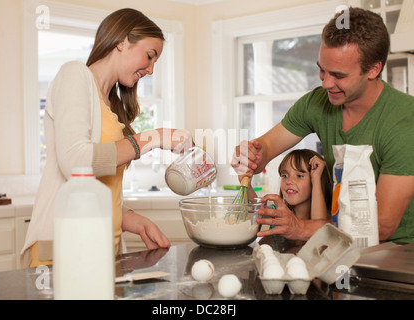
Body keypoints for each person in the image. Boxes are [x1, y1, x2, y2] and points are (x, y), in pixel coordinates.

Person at [21, 8, 193, 268]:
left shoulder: (110, 106)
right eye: (149, 56)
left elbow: (97, 190)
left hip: (101, 250)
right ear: (122, 41)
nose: (151, 70)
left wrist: (131, 219)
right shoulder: (74, 75)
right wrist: (154, 138)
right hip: (63, 250)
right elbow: (76, 163)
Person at [232, 7, 414, 243]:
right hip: (342, 245)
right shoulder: (317, 103)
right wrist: (251, 156)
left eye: (338, 75)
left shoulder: (403, 121)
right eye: (321, 69)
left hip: (397, 256)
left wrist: (300, 227)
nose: (326, 83)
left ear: (373, 69)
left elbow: (382, 225)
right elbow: (265, 147)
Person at [242, 149, 332, 221]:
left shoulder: (328, 217)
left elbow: (320, 231)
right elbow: (254, 210)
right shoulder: (278, 212)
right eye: (284, 175)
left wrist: (316, 179)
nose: (289, 181)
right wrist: (248, 186)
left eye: (299, 176)